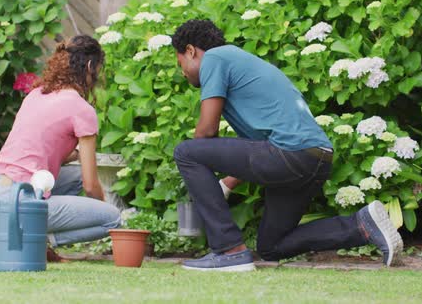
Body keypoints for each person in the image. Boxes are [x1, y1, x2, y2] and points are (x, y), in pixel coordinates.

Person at [172, 20, 403, 272]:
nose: (182, 72)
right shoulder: (241, 62)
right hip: (315, 158)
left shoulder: (215, 58)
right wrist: (228, 182)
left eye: (180, 62)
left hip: (291, 154)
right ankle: (361, 225)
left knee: (186, 152)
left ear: (191, 50)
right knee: (272, 246)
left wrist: (200, 173)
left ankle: (228, 251)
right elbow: (262, 142)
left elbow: (206, 132)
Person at [0, 35, 121, 260]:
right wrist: (100, 212)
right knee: (113, 219)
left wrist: (74, 155)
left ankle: (37, 240)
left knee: (73, 176)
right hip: (19, 203)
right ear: (89, 66)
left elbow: (35, 151)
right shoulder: (81, 109)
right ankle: (37, 239)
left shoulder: (36, 95)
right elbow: (90, 184)